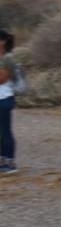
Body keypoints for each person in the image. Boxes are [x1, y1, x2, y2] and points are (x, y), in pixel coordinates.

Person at [0, 30, 18, 174]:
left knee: (5, 132)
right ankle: (2, 161)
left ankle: (10, 163)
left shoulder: (8, 58)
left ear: (3, 41)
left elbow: (3, 79)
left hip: (5, 99)